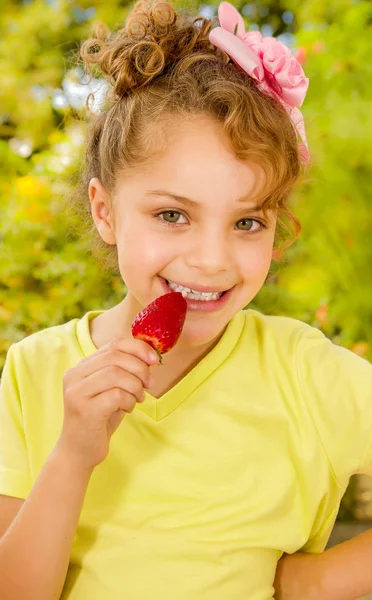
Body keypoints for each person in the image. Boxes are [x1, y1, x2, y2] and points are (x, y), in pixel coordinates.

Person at [0, 1, 371, 599]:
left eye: (247, 223)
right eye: (172, 215)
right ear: (105, 211)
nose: (211, 260)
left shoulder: (306, 373)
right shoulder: (35, 371)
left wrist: (323, 580)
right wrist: (72, 456)